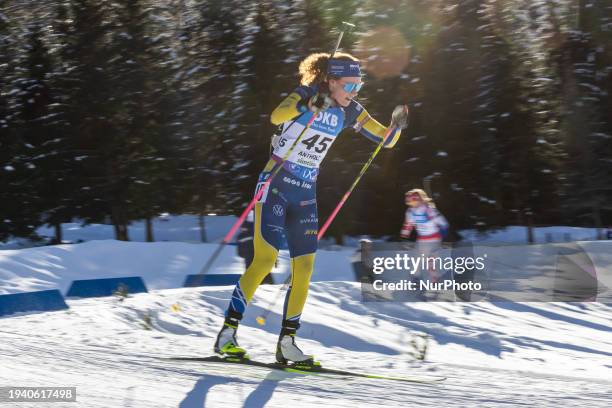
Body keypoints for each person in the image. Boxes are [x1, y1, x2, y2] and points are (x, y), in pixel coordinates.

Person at [214, 52, 409, 366]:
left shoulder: (351, 111)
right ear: (331, 81)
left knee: (304, 268)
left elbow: (385, 140)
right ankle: (227, 334)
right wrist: (307, 106)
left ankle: (288, 342)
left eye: (359, 85)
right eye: (349, 85)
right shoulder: (306, 94)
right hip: (276, 183)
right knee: (264, 261)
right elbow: (277, 117)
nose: (355, 92)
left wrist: (397, 126)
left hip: (305, 192)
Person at [400, 189, 448, 282]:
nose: (411, 204)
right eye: (409, 202)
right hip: (423, 239)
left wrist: (444, 234)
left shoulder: (428, 210)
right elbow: (408, 225)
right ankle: (425, 277)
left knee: (424, 260)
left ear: (419, 200)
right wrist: (403, 237)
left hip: (433, 238)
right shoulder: (410, 212)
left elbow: (442, 222)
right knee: (421, 259)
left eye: (413, 201)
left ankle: (424, 277)